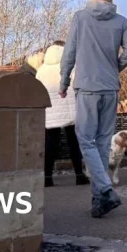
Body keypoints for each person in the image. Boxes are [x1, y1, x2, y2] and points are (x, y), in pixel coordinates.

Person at [59, 0, 127, 218]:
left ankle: (104, 189)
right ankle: (99, 201)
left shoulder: (80, 18)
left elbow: (69, 52)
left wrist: (64, 81)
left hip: (87, 87)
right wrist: (114, 68)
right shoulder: (121, 21)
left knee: (86, 141)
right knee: (103, 143)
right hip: (110, 87)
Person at [38, 41, 89, 187]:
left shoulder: (41, 70)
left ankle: (47, 177)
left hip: (50, 110)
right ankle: (79, 175)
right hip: (71, 109)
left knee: (50, 143)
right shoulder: (70, 66)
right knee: (73, 142)